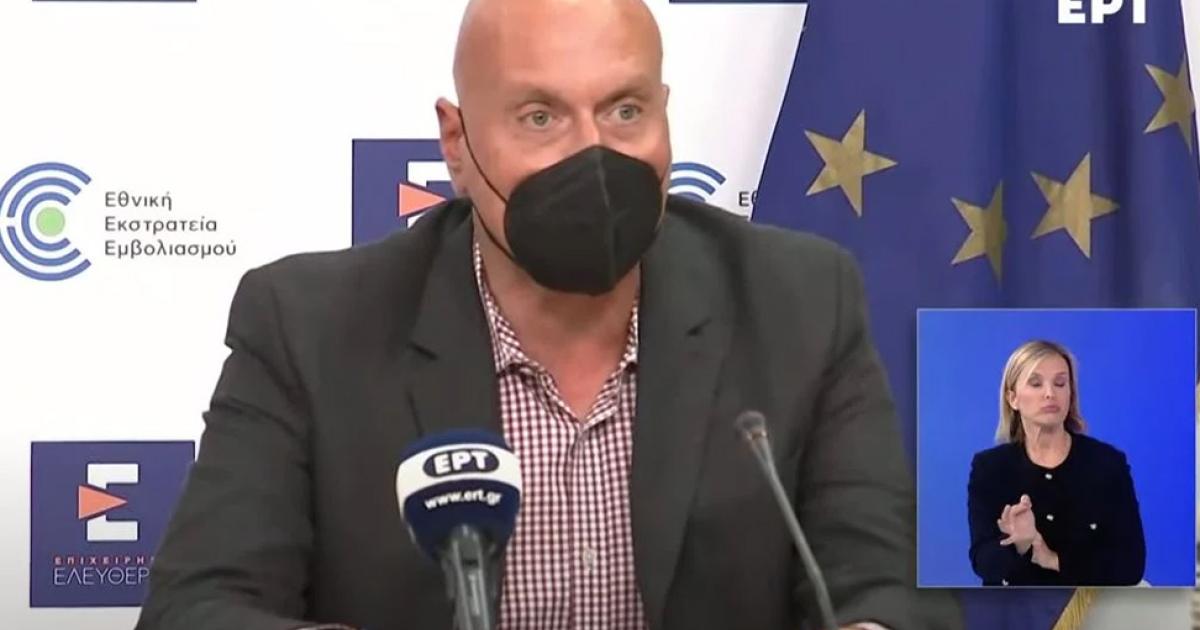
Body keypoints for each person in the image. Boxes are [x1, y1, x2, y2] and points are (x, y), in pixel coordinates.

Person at [135, 1, 960, 629]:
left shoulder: (799, 300)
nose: (591, 156)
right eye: (540, 117)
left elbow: (888, 586)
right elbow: (198, 608)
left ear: (666, 112)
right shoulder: (311, 327)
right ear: (457, 143)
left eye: (625, 110)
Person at [967, 340, 1145, 586]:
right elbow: (983, 562)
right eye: (1036, 383)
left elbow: (1131, 564)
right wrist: (1020, 545)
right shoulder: (990, 468)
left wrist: (1054, 560)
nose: (1050, 393)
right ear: (1013, 398)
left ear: (1070, 394)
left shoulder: (1107, 464)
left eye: (1060, 383)